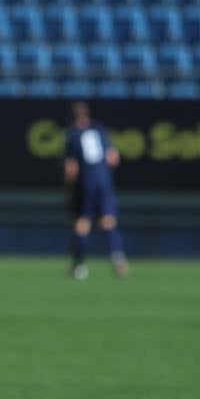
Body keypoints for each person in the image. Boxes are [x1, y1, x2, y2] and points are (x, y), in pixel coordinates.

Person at [63, 101, 127, 279]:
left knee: (82, 223)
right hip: (104, 181)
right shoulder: (99, 129)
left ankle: (79, 265)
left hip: (86, 181)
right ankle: (118, 258)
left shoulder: (73, 134)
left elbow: (71, 169)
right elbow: (113, 158)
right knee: (108, 221)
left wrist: (69, 192)